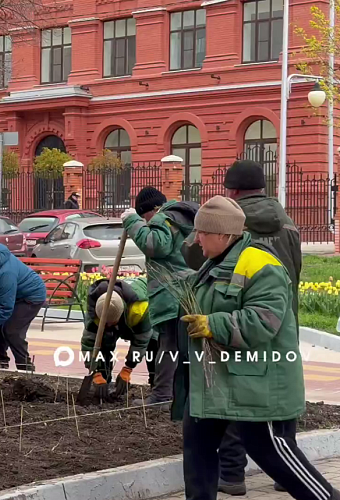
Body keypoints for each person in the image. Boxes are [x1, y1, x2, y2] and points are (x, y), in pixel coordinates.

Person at [176, 195, 339, 500]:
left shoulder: (262, 265)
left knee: (272, 450)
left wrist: (213, 324)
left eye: (202, 233)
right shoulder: (218, 261)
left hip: (258, 377)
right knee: (197, 445)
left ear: (224, 235)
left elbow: (264, 321)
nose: (196, 239)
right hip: (219, 377)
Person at [217, 159, 303, 496]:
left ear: (233, 190)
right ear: (262, 188)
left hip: (242, 321)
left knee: (237, 396)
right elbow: (295, 272)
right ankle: (287, 475)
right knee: (282, 400)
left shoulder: (230, 222)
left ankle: (232, 476)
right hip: (283, 324)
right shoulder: (287, 222)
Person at [121, 187, 198, 406]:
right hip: (190, 291)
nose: (146, 222)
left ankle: (162, 397)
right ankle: (187, 395)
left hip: (171, 293)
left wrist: (131, 221)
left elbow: (155, 245)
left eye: (145, 217)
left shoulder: (163, 218)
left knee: (168, 345)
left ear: (150, 210)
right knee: (186, 347)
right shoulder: (184, 218)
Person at [80, 276, 153, 401]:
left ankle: (158, 388)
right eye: (105, 323)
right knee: (104, 340)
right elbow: (88, 344)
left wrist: (128, 368)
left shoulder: (139, 309)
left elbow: (141, 342)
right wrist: (95, 371)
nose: (109, 326)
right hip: (117, 315)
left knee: (154, 343)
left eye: (111, 323)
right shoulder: (95, 310)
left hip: (147, 299)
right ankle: (103, 379)